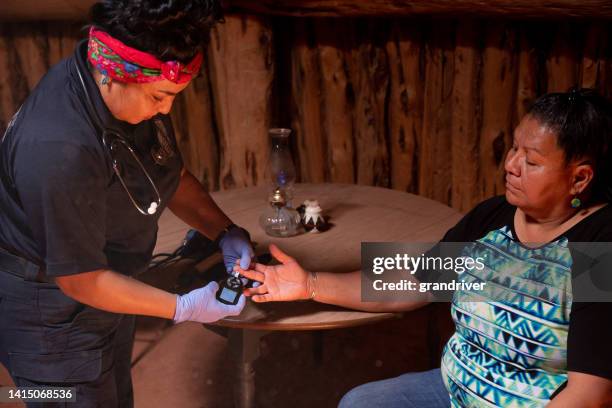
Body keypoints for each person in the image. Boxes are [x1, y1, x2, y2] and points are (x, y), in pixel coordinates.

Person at [238, 88, 612, 407]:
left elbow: (589, 395)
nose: (511, 165)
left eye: (530, 160)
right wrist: (310, 284)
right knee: (359, 403)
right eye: (514, 148)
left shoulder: (599, 252)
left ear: (579, 178)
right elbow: (414, 281)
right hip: (454, 389)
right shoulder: (494, 216)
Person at [0, 1, 253, 406]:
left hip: (108, 284)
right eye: (161, 96)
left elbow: (171, 176)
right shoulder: (58, 147)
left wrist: (225, 232)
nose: (167, 108)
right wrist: (182, 306)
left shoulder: (124, 90)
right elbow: (79, 280)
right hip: (46, 315)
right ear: (115, 76)